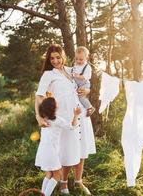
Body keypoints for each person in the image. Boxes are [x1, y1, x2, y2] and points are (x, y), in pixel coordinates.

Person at [35, 44, 96, 195]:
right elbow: (39, 96)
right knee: (63, 150)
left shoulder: (71, 70)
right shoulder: (49, 74)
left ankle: (77, 181)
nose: (55, 61)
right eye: (52, 58)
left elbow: (84, 84)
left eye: (58, 57)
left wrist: (87, 90)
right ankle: (62, 184)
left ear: (63, 56)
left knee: (77, 149)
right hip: (62, 118)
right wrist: (39, 116)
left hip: (78, 115)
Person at [35, 97, 81, 196]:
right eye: (56, 102)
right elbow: (72, 126)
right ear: (53, 108)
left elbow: (38, 101)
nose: (58, 102)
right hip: (51, 151)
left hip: (43, 149)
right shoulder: (57, 120)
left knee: (49, 174)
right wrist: (76, 115)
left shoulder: (43, 119)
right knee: (57, 175)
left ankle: (42, 194)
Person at [70, 46, 95, 116]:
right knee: (77, 95)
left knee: (81, 97)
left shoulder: (87, 67)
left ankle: (90, 107)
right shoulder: (75, 65)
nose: (78, 61)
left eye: (81, 59)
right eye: (76, 59)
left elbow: (87, 76)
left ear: (86, 58)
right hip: (78, 84)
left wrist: (78, 76)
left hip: (84, 84)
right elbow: (73, 73)